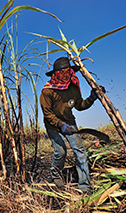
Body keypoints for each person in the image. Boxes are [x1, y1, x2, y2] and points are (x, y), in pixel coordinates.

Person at [40, 57, 104, 194]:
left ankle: (84, 186)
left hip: (69, 122)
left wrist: (92, 98)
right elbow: (47, 114)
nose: (65, 75)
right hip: (53, 125)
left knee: (80, 152)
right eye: (61, 72)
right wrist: (60, 125)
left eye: (68, 71)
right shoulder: (47, 91)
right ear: (55, 74)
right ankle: (55, 174)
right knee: (61, 151)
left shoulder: (73, 88)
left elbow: (80, 106)